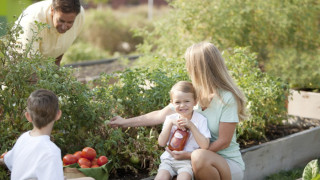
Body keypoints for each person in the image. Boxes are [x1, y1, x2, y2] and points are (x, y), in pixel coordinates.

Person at [109, 42, 246, 180]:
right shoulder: (191, 95)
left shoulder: (227, 98)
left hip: (224, 164)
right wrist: (124, 122)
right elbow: (159, 115)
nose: (187, 68)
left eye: (189, 64)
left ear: (199, 68)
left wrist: (189, 154)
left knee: (199, 157)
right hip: (192, 162)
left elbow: (224, 141)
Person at [0, 89, 93, 180]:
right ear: (58, 114)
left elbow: (7, 160)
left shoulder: (23, 138)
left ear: (28, 116)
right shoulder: (51, 151)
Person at [155, 81, 211, 180]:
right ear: (172, 103)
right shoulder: (170, 119)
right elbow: (161, 143)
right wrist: (170, 123)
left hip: (187, 161)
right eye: (177, 102)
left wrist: (191, 126)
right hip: (169, 159)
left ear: (195, 102)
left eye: (187, 101)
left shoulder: (200, 119)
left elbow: (205, 145)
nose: (182, 105)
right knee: (161, 177)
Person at [15, 0, 85, 66]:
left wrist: (55, 68)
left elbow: (64, 42)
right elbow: (30, 64)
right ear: (52, 10)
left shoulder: (79, 16)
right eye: (61, 21)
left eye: (69, 22)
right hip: (19, 62)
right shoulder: (33, 21)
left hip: (43, 62)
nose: (64, 27)